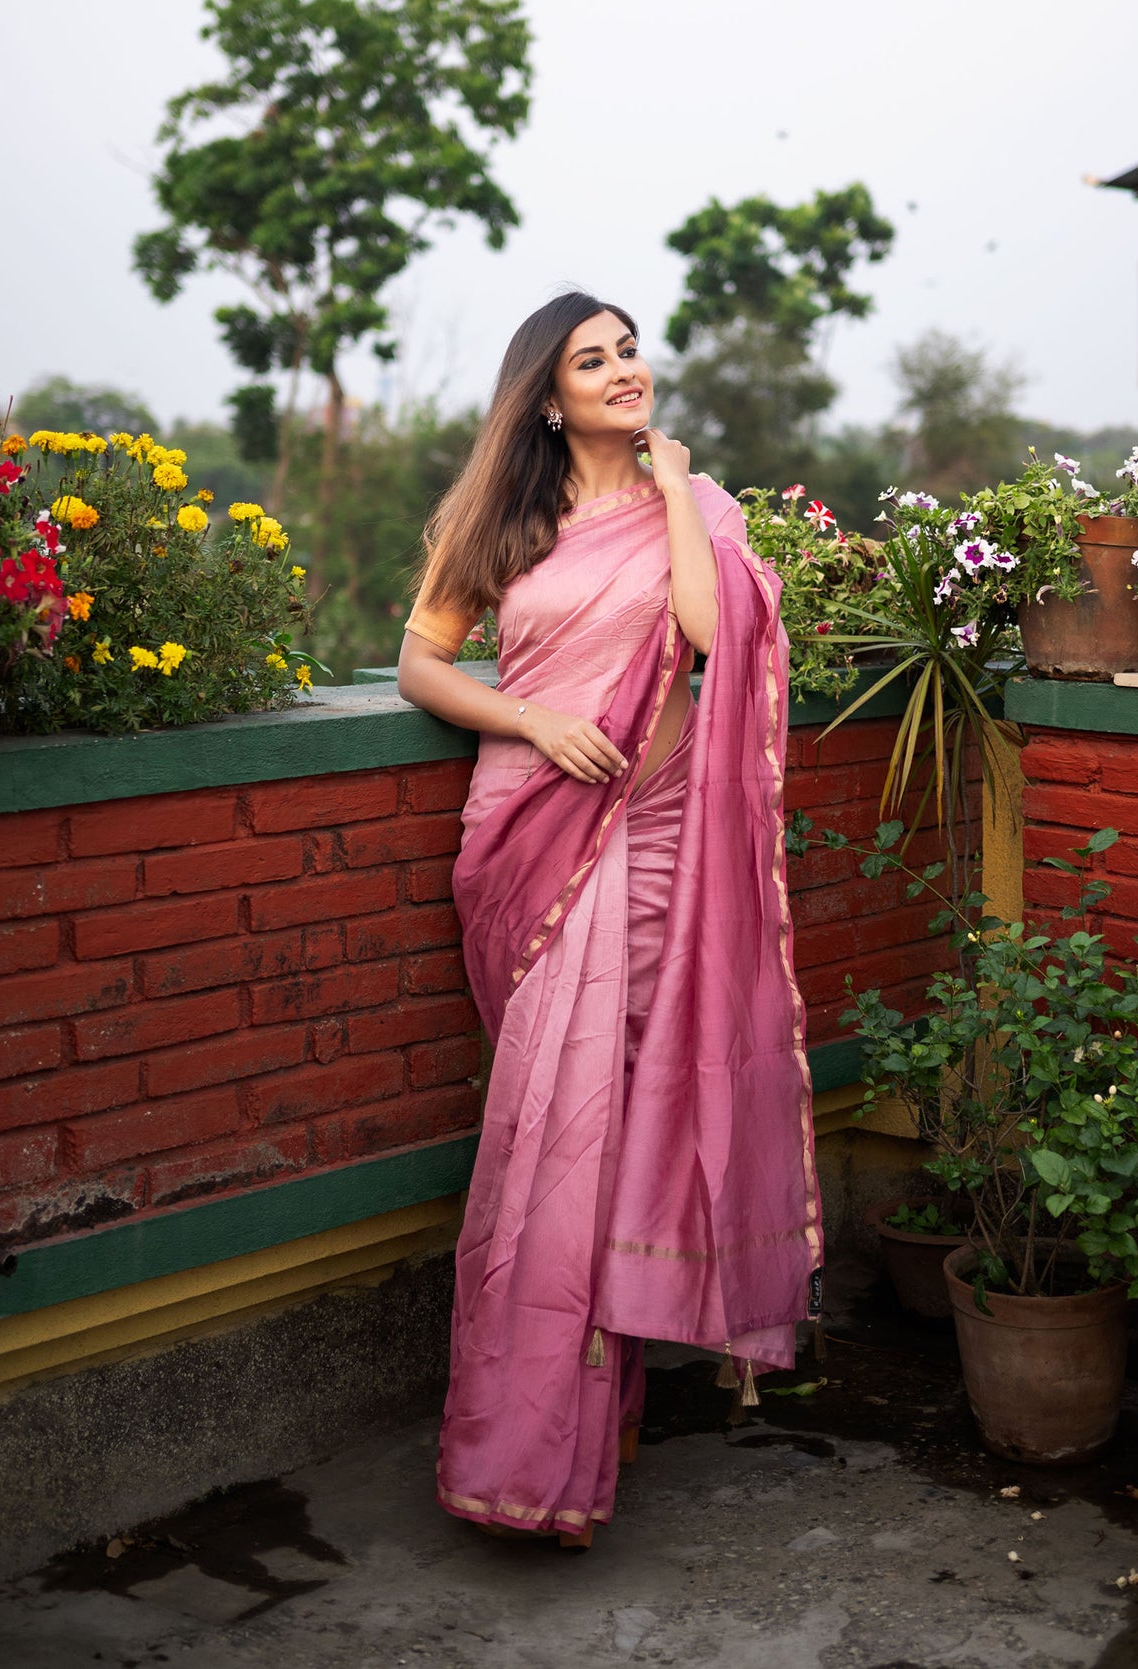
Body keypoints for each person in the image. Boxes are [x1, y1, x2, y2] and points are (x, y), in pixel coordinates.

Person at [397, 291, 820, 1548]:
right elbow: (422, 661)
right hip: (530, 835)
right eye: (593, 358)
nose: (622, 369)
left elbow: (706, 631)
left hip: (662, 854)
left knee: (623, 1124)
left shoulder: (697, 504)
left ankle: (606, 1397)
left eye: (628, 348)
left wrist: (680, 487)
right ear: (547, 394)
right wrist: (531, 719)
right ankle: (531, 1430)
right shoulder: (504, 520)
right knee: (549, 1129)